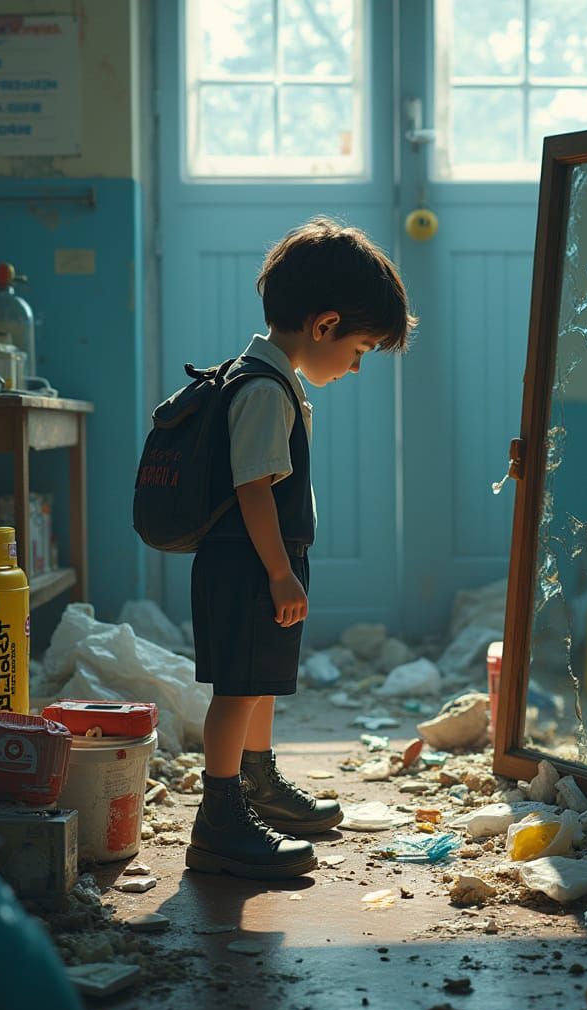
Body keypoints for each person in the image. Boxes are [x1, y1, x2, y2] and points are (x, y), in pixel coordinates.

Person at [185, 217, 417, 879]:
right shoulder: (261, 388)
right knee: (236, 691)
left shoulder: (269, 378)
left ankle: (256, 785)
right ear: (324, 326)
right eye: (360, 348)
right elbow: (252, 488)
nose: (354, 365)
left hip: (260, 564)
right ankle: (220, 820)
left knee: (257, 683)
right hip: (250, 565)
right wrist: (281, 573)